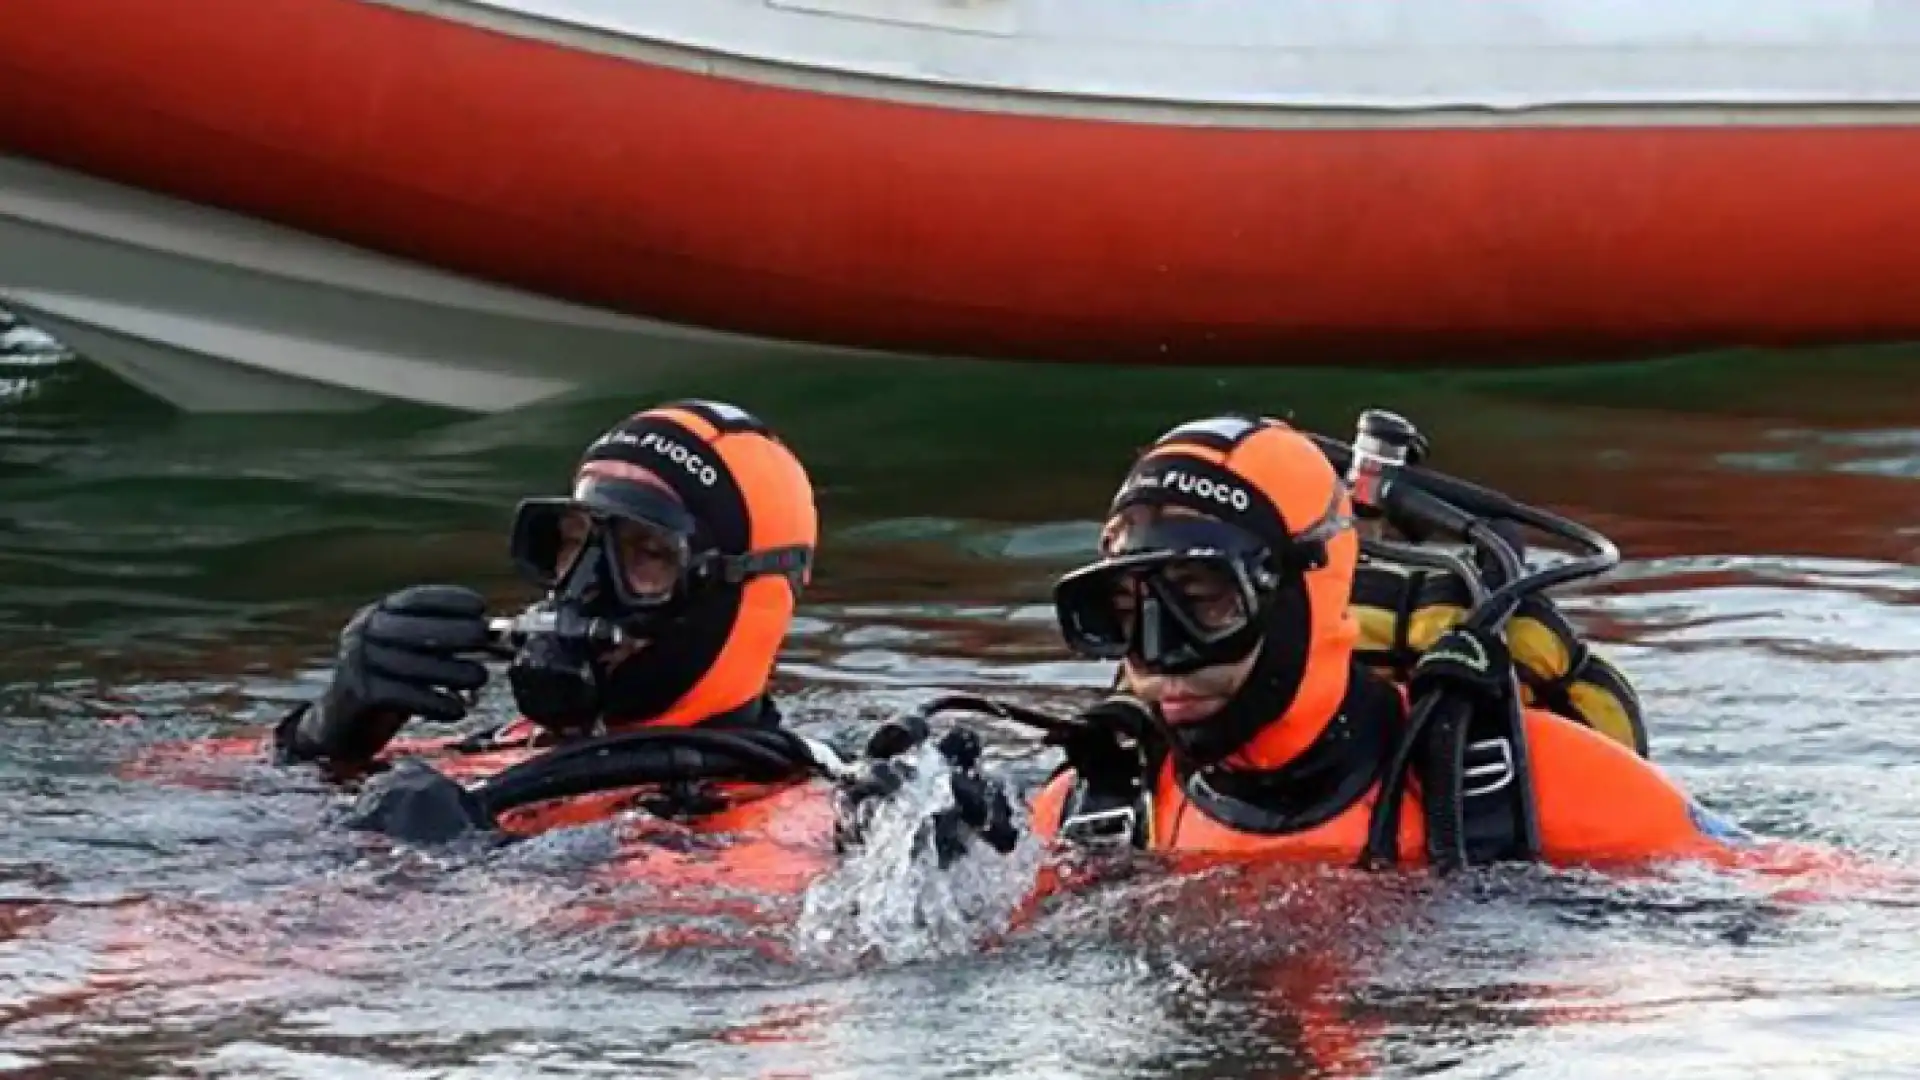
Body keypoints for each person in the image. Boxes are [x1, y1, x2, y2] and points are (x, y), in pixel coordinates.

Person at [1010, 412, 1775, 870]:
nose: (1160, 658)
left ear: (1309, 588)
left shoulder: (1532, 790)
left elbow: (1830, 905)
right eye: (1125, 610)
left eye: (1203, 602)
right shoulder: (1095, 817)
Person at [269, 398, 833, 855]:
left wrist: (444, 871)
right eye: (573, 540)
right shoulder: (504, 751)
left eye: (646, 554)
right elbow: (195, 780)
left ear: (740, 594)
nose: (581, 585)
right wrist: (329, 734)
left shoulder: (777, 827)